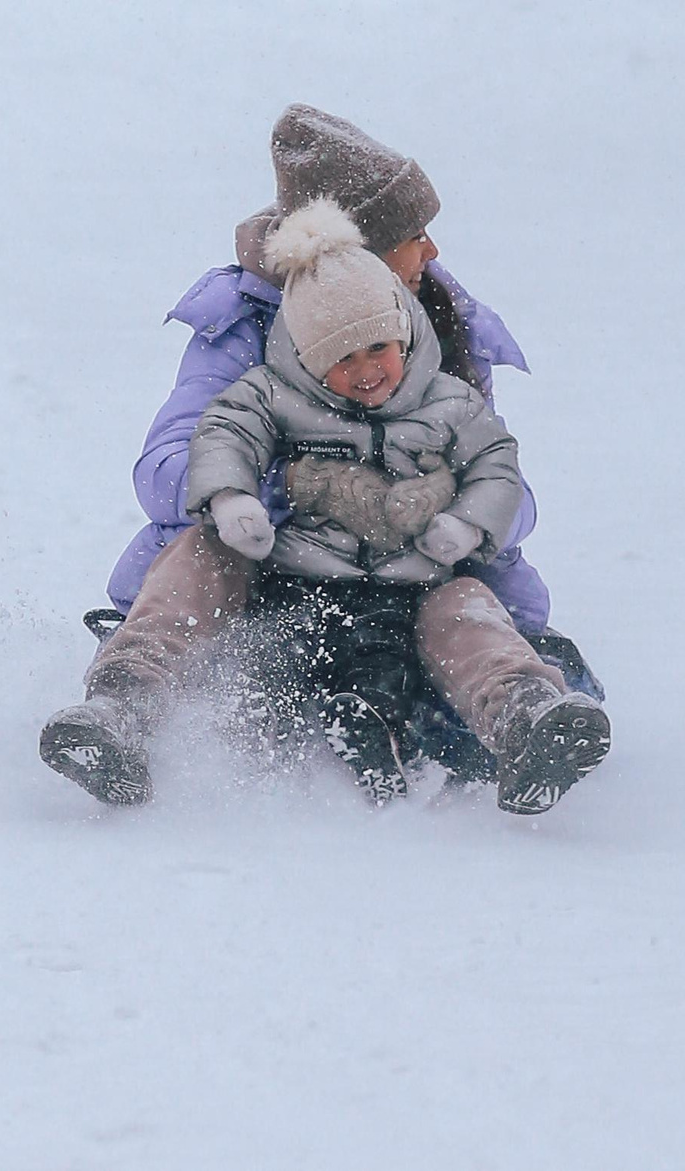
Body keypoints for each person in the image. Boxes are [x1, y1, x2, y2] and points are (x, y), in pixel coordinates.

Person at [40, 104, 608, 814]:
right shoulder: (252, 348)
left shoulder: (435, 335)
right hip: (271, 573)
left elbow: (503, 479)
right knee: (201, 560)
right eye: (412, 236)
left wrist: (451, 509)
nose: (431, 252)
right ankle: (122, 708)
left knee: (462, 610)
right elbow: (172, 467)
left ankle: (525, 716)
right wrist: (297, 492)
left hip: (409, 577)